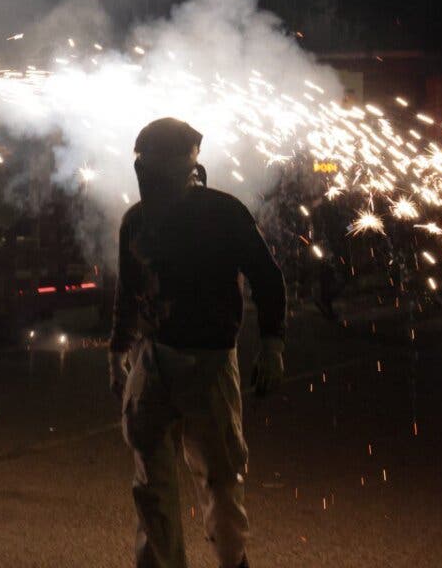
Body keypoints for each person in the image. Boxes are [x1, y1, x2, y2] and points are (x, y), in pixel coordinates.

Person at [109, 118, 286, 568]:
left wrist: (272, 345)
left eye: (153, 163)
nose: (146, 173)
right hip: (152, 360)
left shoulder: (223, 212)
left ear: (185, 162)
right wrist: (118, 351)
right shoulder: (136, 220)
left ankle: (232, 559)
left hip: (208, 361)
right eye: (141, 164)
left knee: (221, 477)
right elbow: (129, 292)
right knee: (151, 482)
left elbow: (267, 278)